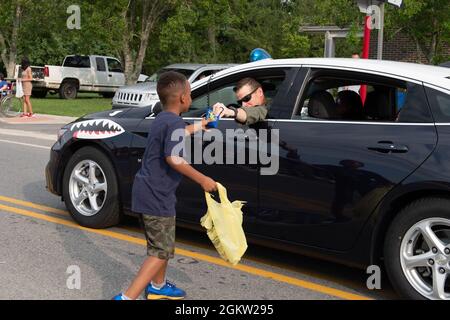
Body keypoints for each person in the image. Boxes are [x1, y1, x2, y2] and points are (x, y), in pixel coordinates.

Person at [113, 71, 218, 300]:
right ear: (182, 98)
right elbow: (173, 158)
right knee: (161, 252)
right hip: (156, 196)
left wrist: (200, 125)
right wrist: (203, 180)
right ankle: (127, 297)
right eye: (190, 93)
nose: (191, 98)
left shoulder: (163, 118)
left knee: (161, 246)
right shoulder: (174, 122)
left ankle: (158, 287)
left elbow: (175, 134)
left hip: (148, 191)